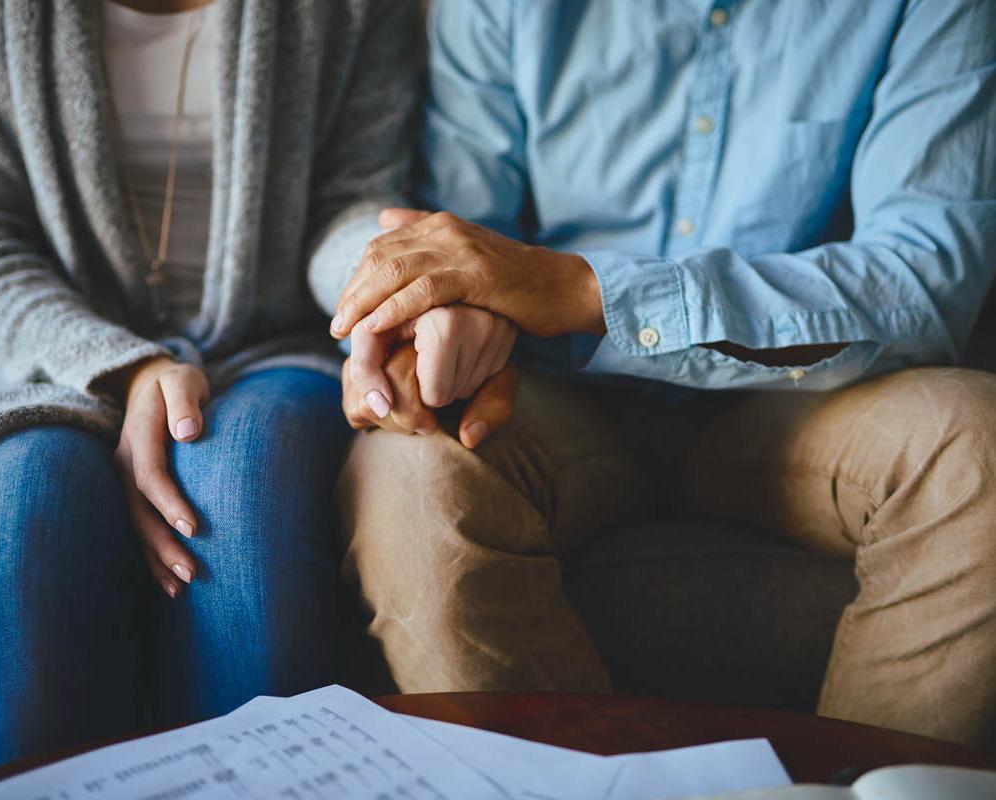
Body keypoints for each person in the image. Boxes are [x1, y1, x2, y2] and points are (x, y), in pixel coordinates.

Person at [323, 0, 996, 746]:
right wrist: (443, 322)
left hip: (801, 398)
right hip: (553, 395)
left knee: (978, 445)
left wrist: (586, 291)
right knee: (412, 474)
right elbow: (459, 230)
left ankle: (852, 790)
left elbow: (921, 277)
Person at [0, 0, 418, 772]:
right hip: (50, 350)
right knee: (18, 506)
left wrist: (389, 276)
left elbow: (352, 201)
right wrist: (125, 365)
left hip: (278, 338)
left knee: (244, 484)